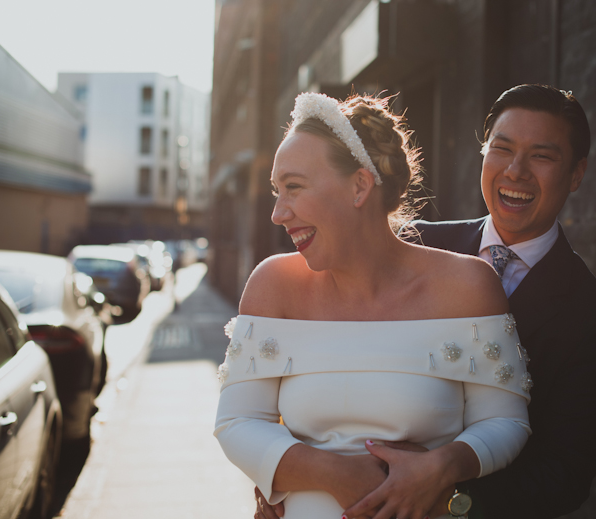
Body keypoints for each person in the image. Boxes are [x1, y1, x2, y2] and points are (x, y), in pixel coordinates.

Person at [214, 92, 533, 519]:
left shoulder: (467, 286)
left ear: (359, 186)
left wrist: (441, 468)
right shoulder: (273, 285)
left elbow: (506, 422)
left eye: (293, 187)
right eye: (277, 191)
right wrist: (336, 475)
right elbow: (237, 422)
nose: (277, 213)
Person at [389, 84, 596, 518]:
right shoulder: (413, 243)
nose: (516, 171)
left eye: (542, 156)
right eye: (502, 149)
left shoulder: (595, 317)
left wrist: (446, 497)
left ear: (577, 173)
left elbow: (565, 474)